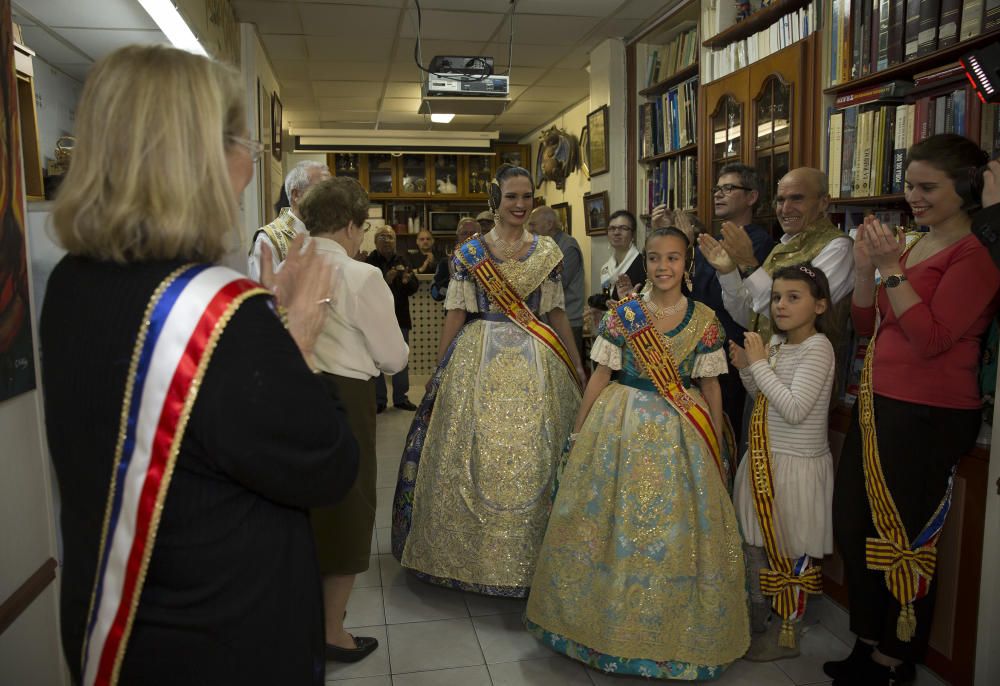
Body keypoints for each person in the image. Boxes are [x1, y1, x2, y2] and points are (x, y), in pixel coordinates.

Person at [41, 44, 359, 685]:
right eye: (241, 141)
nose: (249, 165)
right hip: (221, 637)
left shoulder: (73, 281)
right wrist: (293, 338)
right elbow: (329, 466)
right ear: (197, 158)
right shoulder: (223, 318)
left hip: (120, 627)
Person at [524, 227, 748, 679]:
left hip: (683, 430)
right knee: (610, 521)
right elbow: (600, 376)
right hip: (619, 425)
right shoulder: (623, 316)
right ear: (644, 262)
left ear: (688, 266)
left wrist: (717, 441)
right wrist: (580, 429)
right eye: (655, 258)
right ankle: (599, 630)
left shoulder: (705, 319)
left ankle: (674, 637)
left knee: (676, 528)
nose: (664, 267)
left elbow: (710, 385)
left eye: (674, 259)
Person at [825, 134, 1000, 685]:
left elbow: (930, 339)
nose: (914, 198)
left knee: (902, 537)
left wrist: (889, 269)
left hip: (928, 413)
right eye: (909, 185)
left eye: (928, 187)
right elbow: (862, 325)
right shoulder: (910, 245)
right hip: (878, 403)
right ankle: (869, 636)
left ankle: (895, 657)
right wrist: (863, 268)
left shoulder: (976, 255)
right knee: (855, 527)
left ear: (967, 189)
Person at [392, 164, 584, 597]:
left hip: (539, 358)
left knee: (539, 446)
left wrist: (576, 362)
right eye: (512, 196)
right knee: (471, 448)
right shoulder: (470, 253)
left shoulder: (548, 251)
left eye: (527, 196)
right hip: (479, 354)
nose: (520, 205)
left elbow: (555, 313)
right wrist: (440, 370)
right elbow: (456, 313)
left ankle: (537, 556)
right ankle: (473, 556)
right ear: (495, 199)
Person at [298, 177, 410, 664]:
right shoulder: (360, 276)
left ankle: (299, 621)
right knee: (348, 507)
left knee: (304, 509)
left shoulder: (286, 267)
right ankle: (332, 632)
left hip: (295, 393)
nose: (362, 239)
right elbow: (393, 357)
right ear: (349, 225)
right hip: (344, 396)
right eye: (362, 229)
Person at [729, 265, 835, 661]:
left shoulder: (818, 348)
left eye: (794, 297)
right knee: (755, 545)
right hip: (764, 460)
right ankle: (760, 619)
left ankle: (787, 629)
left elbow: (793, 409)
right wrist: (746, 366)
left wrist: (757, 363)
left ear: (820, 305)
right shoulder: (777, 344)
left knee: (789, 550)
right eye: (776, 297)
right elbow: (763, 396)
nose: (781, 305)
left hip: (795, 468)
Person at [653, 165, 775, 448]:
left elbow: (728, 300)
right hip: (695, 346)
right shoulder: (714, 241)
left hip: (729, 350)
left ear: (752, 196)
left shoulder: (755, 241)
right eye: (717, 189)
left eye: (729, 188)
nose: (719, 195)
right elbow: (685, 289)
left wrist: (684, 245)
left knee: (723, 433)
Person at [700, 167, 855, 349]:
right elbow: (748, 317)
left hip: (806, 370)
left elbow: (798, 315)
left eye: (797, 198)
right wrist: (728, 273)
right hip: (761, 368)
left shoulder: (838, 247)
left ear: (823, 202)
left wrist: (749, 265)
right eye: (780, 200)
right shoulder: (781, 247)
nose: (786, 209)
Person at [248, 160, 331, 281]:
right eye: (322, 191)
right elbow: (264, 294)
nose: (331, 199)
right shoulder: (268, 240)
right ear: (296, 195)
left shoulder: (330, 233)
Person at [366, 227, 419, 412]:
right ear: (375, 241)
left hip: (400, 318)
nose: (387, 240)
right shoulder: (369, 262)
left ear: (395, 241)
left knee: (401, 358)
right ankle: (379, 400)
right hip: (376, 319)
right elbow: (367, 291)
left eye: (390, 237)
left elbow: (414, 287)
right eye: (382, 236)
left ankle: (400, 398)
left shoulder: (403, 260)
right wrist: (386, 281)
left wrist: (406, 281)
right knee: (376, 359)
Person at [528, 205, 585, 357]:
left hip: (568, 322)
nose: (529, 228)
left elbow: (558, 282)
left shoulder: (568, 247)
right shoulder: (543, 246)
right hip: (547, 321)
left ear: (549, 224)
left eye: (533, 224)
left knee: (570, 372)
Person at [587, 209, 646, 313]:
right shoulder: (606, 268)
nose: (616, 232)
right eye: (612, 228)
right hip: (614, 324)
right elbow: (606, 297)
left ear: (633, 234)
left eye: (623, 228)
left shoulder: (643, 265)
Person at [431, 216, 478, 302]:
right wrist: (452, 281)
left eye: (472, 233)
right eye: (464, 233)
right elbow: (435, 294)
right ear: (458, 236)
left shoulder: (489, 260)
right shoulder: (446, 262)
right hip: (455, 312)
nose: (468, 237)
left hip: (482, 314)